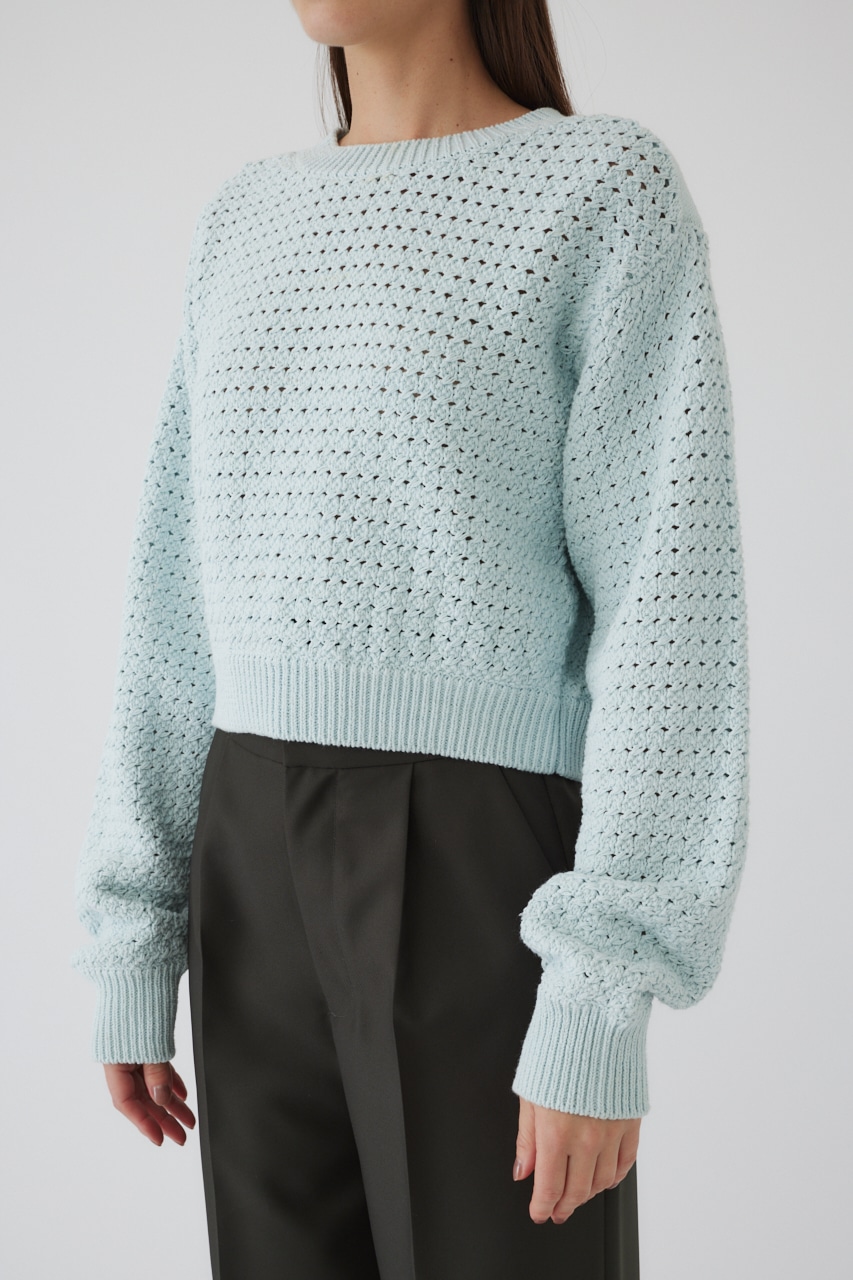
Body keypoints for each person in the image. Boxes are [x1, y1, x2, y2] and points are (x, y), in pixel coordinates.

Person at [70, 1, 751, 1277]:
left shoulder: (601, 189)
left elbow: (670, 611)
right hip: (245, 851)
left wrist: (602, 989)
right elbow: (173, 601)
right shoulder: (245, 215)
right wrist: (133, 927)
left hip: (476, 862)